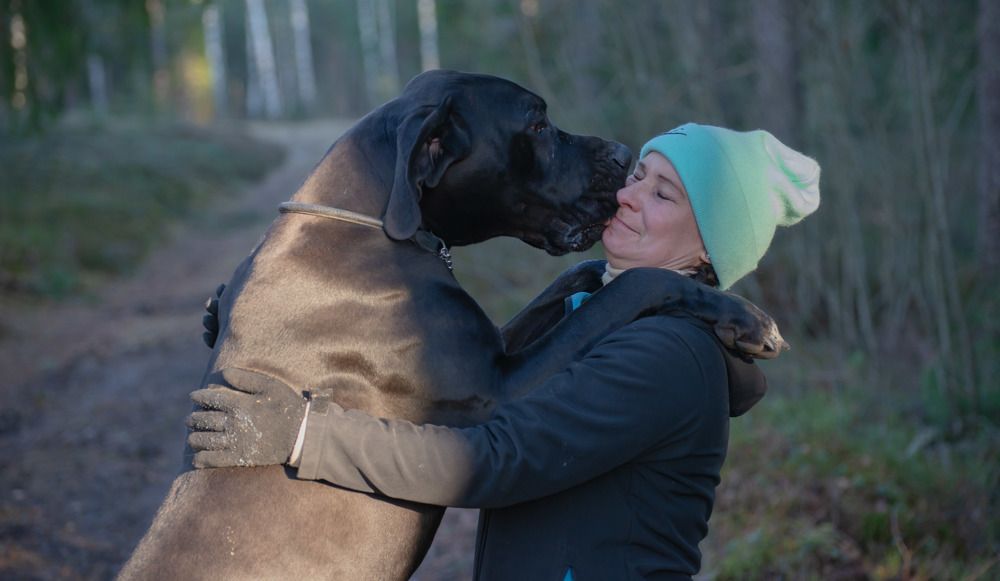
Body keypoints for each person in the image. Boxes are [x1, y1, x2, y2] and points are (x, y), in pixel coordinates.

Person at [187, 123, 820, 580]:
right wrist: (278, 321)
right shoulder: (590, 305)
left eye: (663, 195)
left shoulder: (668, 354)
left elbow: (492, 458)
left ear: (708, 247)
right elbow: (449, 393)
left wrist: (305, 435)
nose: (627, 196)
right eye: (638, 177)